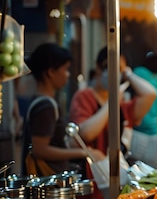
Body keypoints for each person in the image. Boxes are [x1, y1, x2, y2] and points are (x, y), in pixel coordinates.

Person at [21, 43, 101, 176]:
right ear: (51, 72)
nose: (68, 75)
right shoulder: (46, 106)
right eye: (65, 69)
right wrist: (83, 152)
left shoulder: (41, 102)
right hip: (48, 188)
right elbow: (40, 149)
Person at [69, 47, 156, 157]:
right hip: (93, 168)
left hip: (119, 168)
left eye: (118, 69)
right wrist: (112, 101)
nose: (113, 72)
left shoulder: (123, 104)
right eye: (108, 66)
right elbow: (86, 134)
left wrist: (128, 74)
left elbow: (150, 94)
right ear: (98, 67)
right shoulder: (84, 96)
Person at [128, 52, 157, 168]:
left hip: (137, 132)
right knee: (154, 174)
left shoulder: (139, 72)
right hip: (155, 134)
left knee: (135, 174)